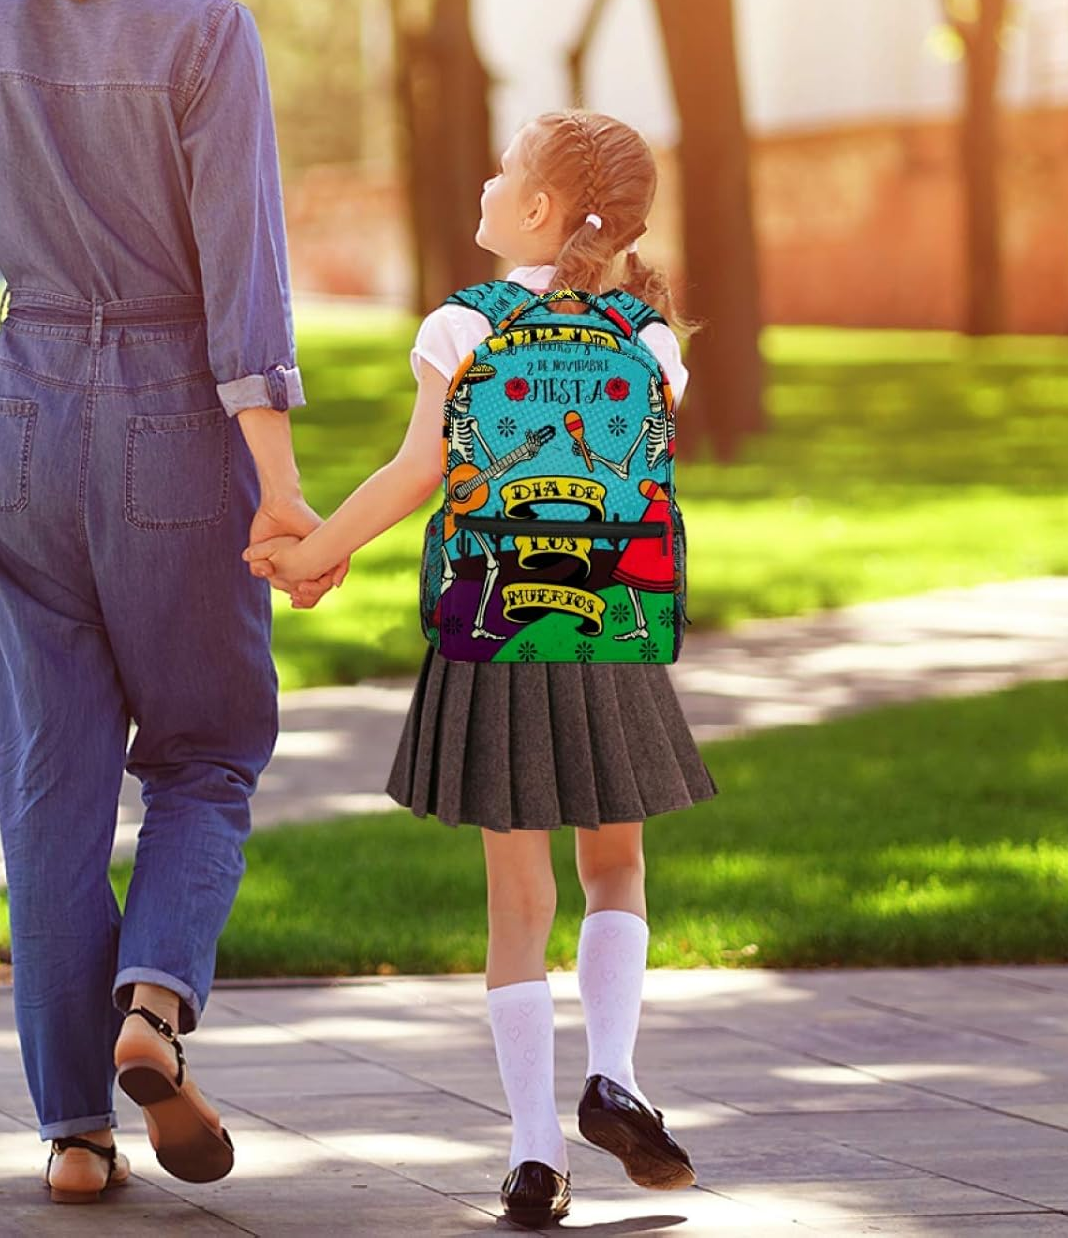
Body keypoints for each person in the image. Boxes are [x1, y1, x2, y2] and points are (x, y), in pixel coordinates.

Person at [0, 0, 345, 1206]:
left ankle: (73, 1131)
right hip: (170, 425)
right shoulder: (210, 39)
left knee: (53, 782)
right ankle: (155, 1006)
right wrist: (279, 487)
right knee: (209, 751)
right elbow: (242, 286)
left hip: (21, 419)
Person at [245, 110, 718, 1229]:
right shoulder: (648, 336)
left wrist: (314, 555)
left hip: (493, 628)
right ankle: (617, 1073)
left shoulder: (465, 324)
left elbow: (418, 471)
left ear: (542, 210)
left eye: (504, 170)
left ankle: (534, 1154)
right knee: (616, 870)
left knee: (518, 901)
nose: (488, 182)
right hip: (611, 632)